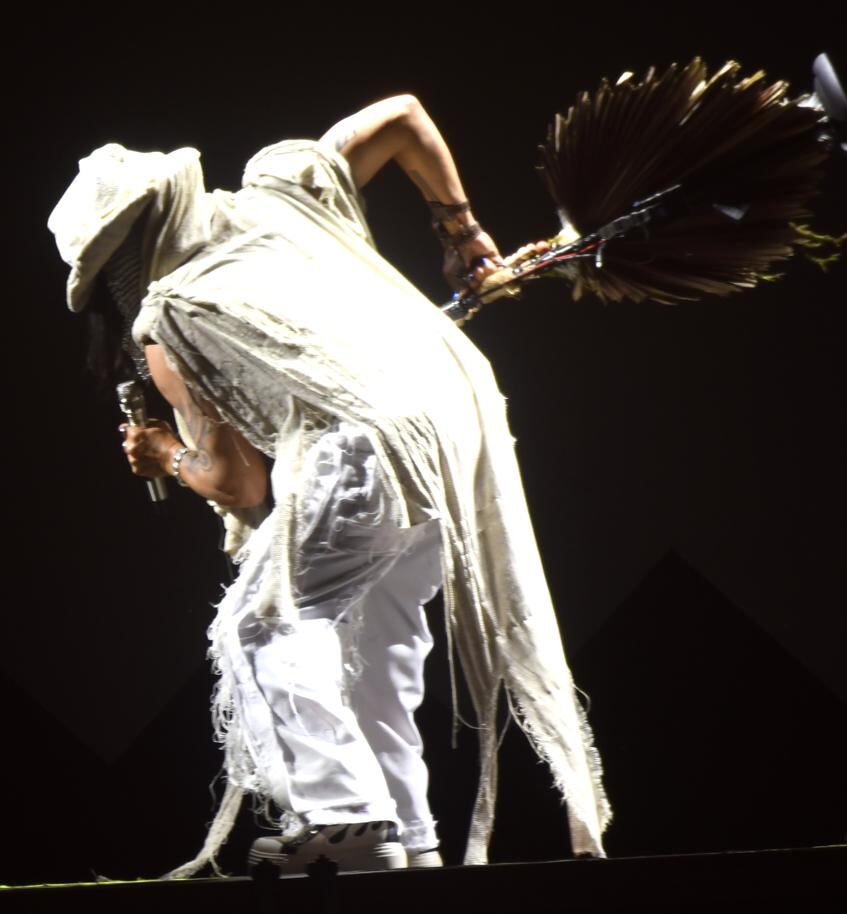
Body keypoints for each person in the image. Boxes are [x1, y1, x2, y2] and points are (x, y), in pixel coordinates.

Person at [47, 95, 611, 877]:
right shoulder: (279, 188)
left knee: (264, 623)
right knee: (371, 646)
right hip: (453, 421)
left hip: (364, 442)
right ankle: (409, 836)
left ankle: (345, 821)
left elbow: (241, 484)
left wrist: (165, 456)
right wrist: (461, 232)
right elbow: (404, 118)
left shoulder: (171, 316)